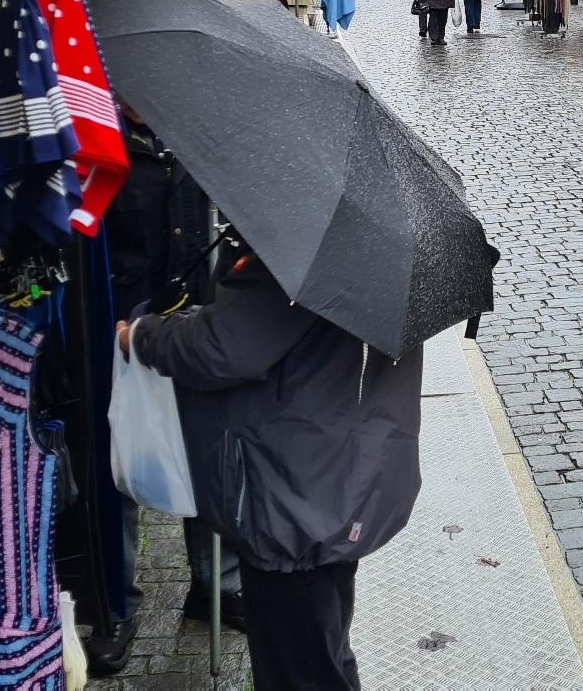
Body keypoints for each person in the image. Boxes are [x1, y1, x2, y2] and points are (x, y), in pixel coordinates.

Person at [117, 241, 422, 691]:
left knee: (297, 668)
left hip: (289, 499)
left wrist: (144, 335)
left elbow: (223, 349)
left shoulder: (294, 255)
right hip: (331, 483)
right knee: (324, 652)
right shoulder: (369, 251)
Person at [98, 106, 245, 660]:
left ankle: (217, 585)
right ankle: (116, 603)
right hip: (120, 326)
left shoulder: (197, 128)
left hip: (196, 317)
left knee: (210, 449)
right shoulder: (98, 134)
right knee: (117, 459)